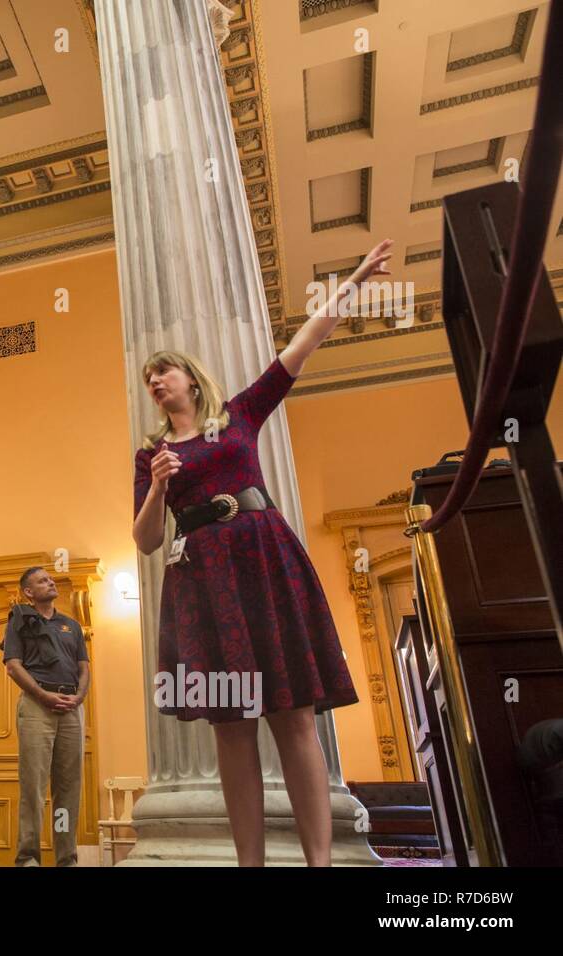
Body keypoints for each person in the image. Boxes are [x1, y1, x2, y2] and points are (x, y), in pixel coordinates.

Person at [131, 239, 393, 866]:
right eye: (148, 380)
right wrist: (161, 485)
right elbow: (144, 540)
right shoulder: (151, 456)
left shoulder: (239, 414)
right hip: (201, 578)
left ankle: (319, 863)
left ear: (190, 377)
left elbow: (302, 345)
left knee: (295, 716)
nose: (155, 382)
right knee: (231, 725)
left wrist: (353, 279)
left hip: (262, 557)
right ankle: (250, 865)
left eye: (161, 372)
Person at [2, 567, 89, 867]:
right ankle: (28, 858)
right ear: (28, 592)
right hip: (37, 706)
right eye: (42, 580)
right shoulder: (19, 622)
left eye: (51, 578)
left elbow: (84, 667)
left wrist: (79, 698)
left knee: (67, 790)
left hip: (71, 707)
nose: (51, 582)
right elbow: (13, 665)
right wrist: (42, 694)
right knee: (34, 787)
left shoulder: (71, 625)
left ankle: (66, 858)